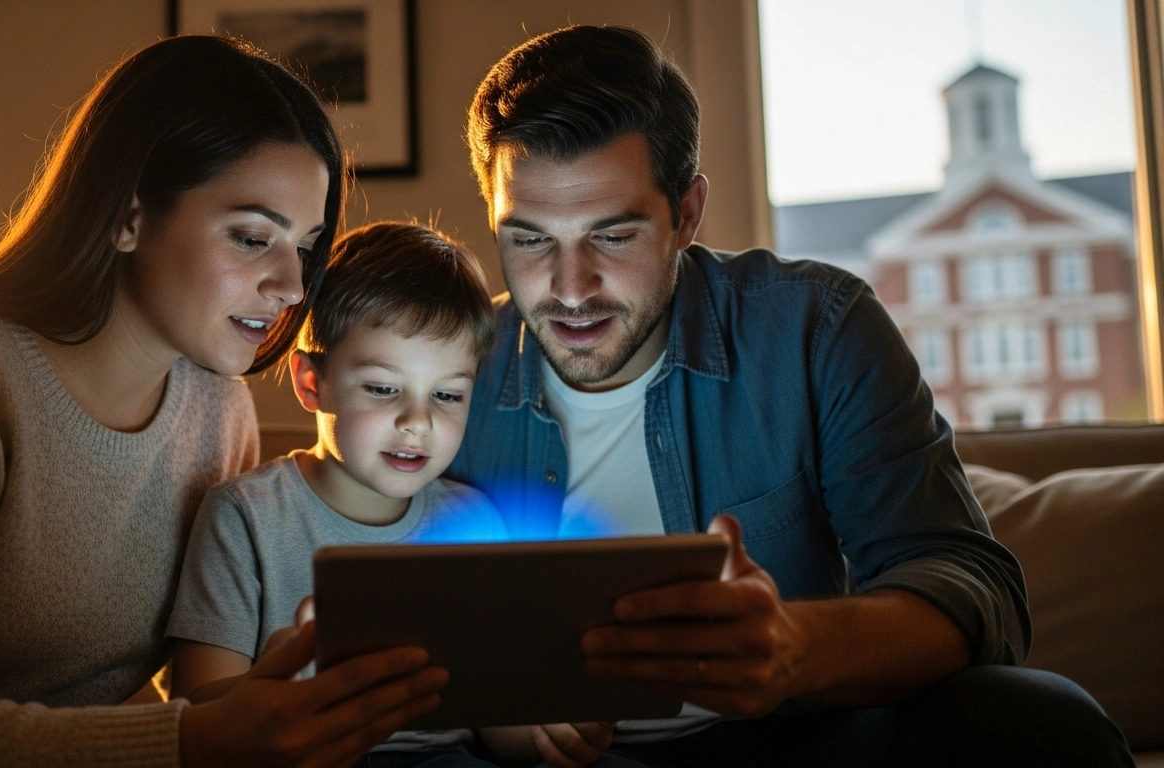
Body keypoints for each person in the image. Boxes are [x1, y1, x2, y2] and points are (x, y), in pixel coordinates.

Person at [447, 25, 1134, 767]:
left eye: (612, 237)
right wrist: (497, 719)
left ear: (686, 214)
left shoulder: (817, 326)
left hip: (794, 738)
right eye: (529, 240)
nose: (570, 288)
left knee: (1043, 723)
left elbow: (969, 583)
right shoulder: (448, 376)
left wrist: (798, 648)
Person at [0, 36, 447, 768]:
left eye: (305, 247)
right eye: (251, 238)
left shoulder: (218, 414)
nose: (292, 285)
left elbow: (91, 702)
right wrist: (198, 740)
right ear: (128, 216)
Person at [166, 221, 533, 768]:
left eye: (448, 395)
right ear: (313, 383)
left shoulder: (476, 522)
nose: (418, 422)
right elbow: (200, 715)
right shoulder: (246, 517)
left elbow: (499, 725)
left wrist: (554, 728)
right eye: (384, 389)